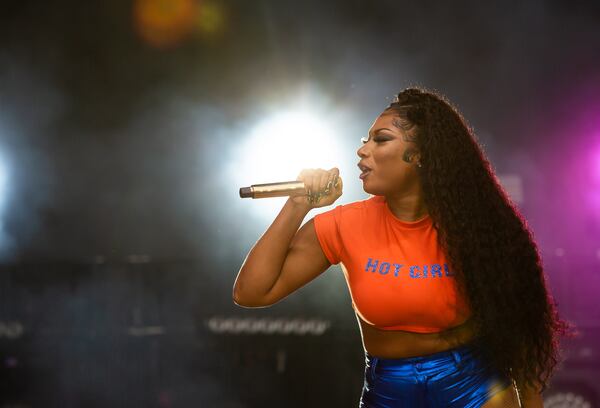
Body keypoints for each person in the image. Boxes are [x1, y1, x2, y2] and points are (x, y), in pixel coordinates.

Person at [232, 87, 572, 407]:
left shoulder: (477, 229)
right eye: (365, 140)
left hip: (473, 384)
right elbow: (251, 292)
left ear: (420, 155)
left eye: (381, 140)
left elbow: (520, 341)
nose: (362, 150)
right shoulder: (343, 225)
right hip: (390, 387)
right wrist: (298, 204)